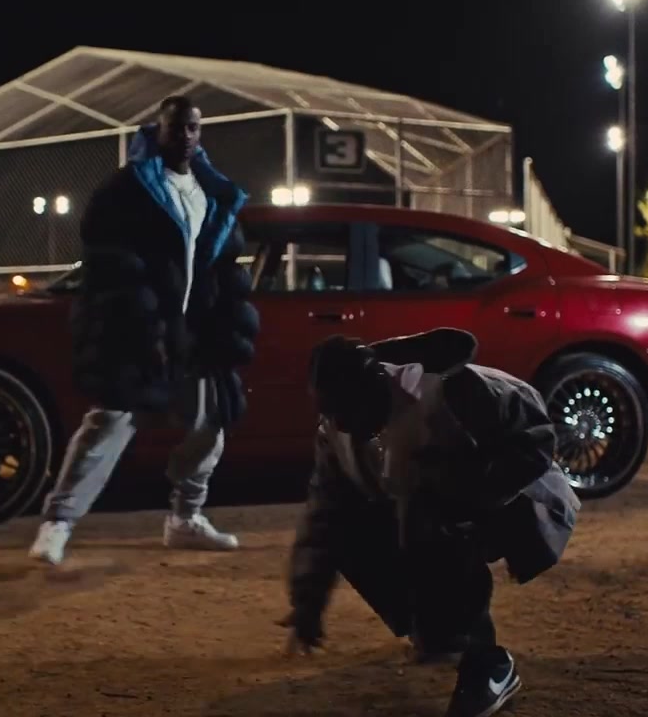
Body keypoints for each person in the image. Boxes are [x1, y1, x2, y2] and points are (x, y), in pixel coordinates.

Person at [279, 328, 580, 717]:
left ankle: (487, 664)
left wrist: (471, 499)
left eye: (349, 410)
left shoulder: (456, 391)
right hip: (427, 510)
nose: (343, 424)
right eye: (333, 413)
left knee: (428, 513)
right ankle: (437, 630)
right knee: (352, 529)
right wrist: (308, 602)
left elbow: (535, 441)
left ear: (378, 383)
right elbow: (326, 516)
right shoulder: (336, 430)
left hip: (516, 501)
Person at [28, 95, 258, 566]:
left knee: (209, 422)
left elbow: (220, 265)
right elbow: (109, 263)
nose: (185, 136)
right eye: (176, 128)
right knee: (109, 422)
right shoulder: (127, 189)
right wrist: (138, 320)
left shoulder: (210, 190)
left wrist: (225, 320)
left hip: (193, 333)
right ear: (158, 130)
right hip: (139, 328)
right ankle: (58, 523)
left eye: (193, 128)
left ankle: (185, 519)